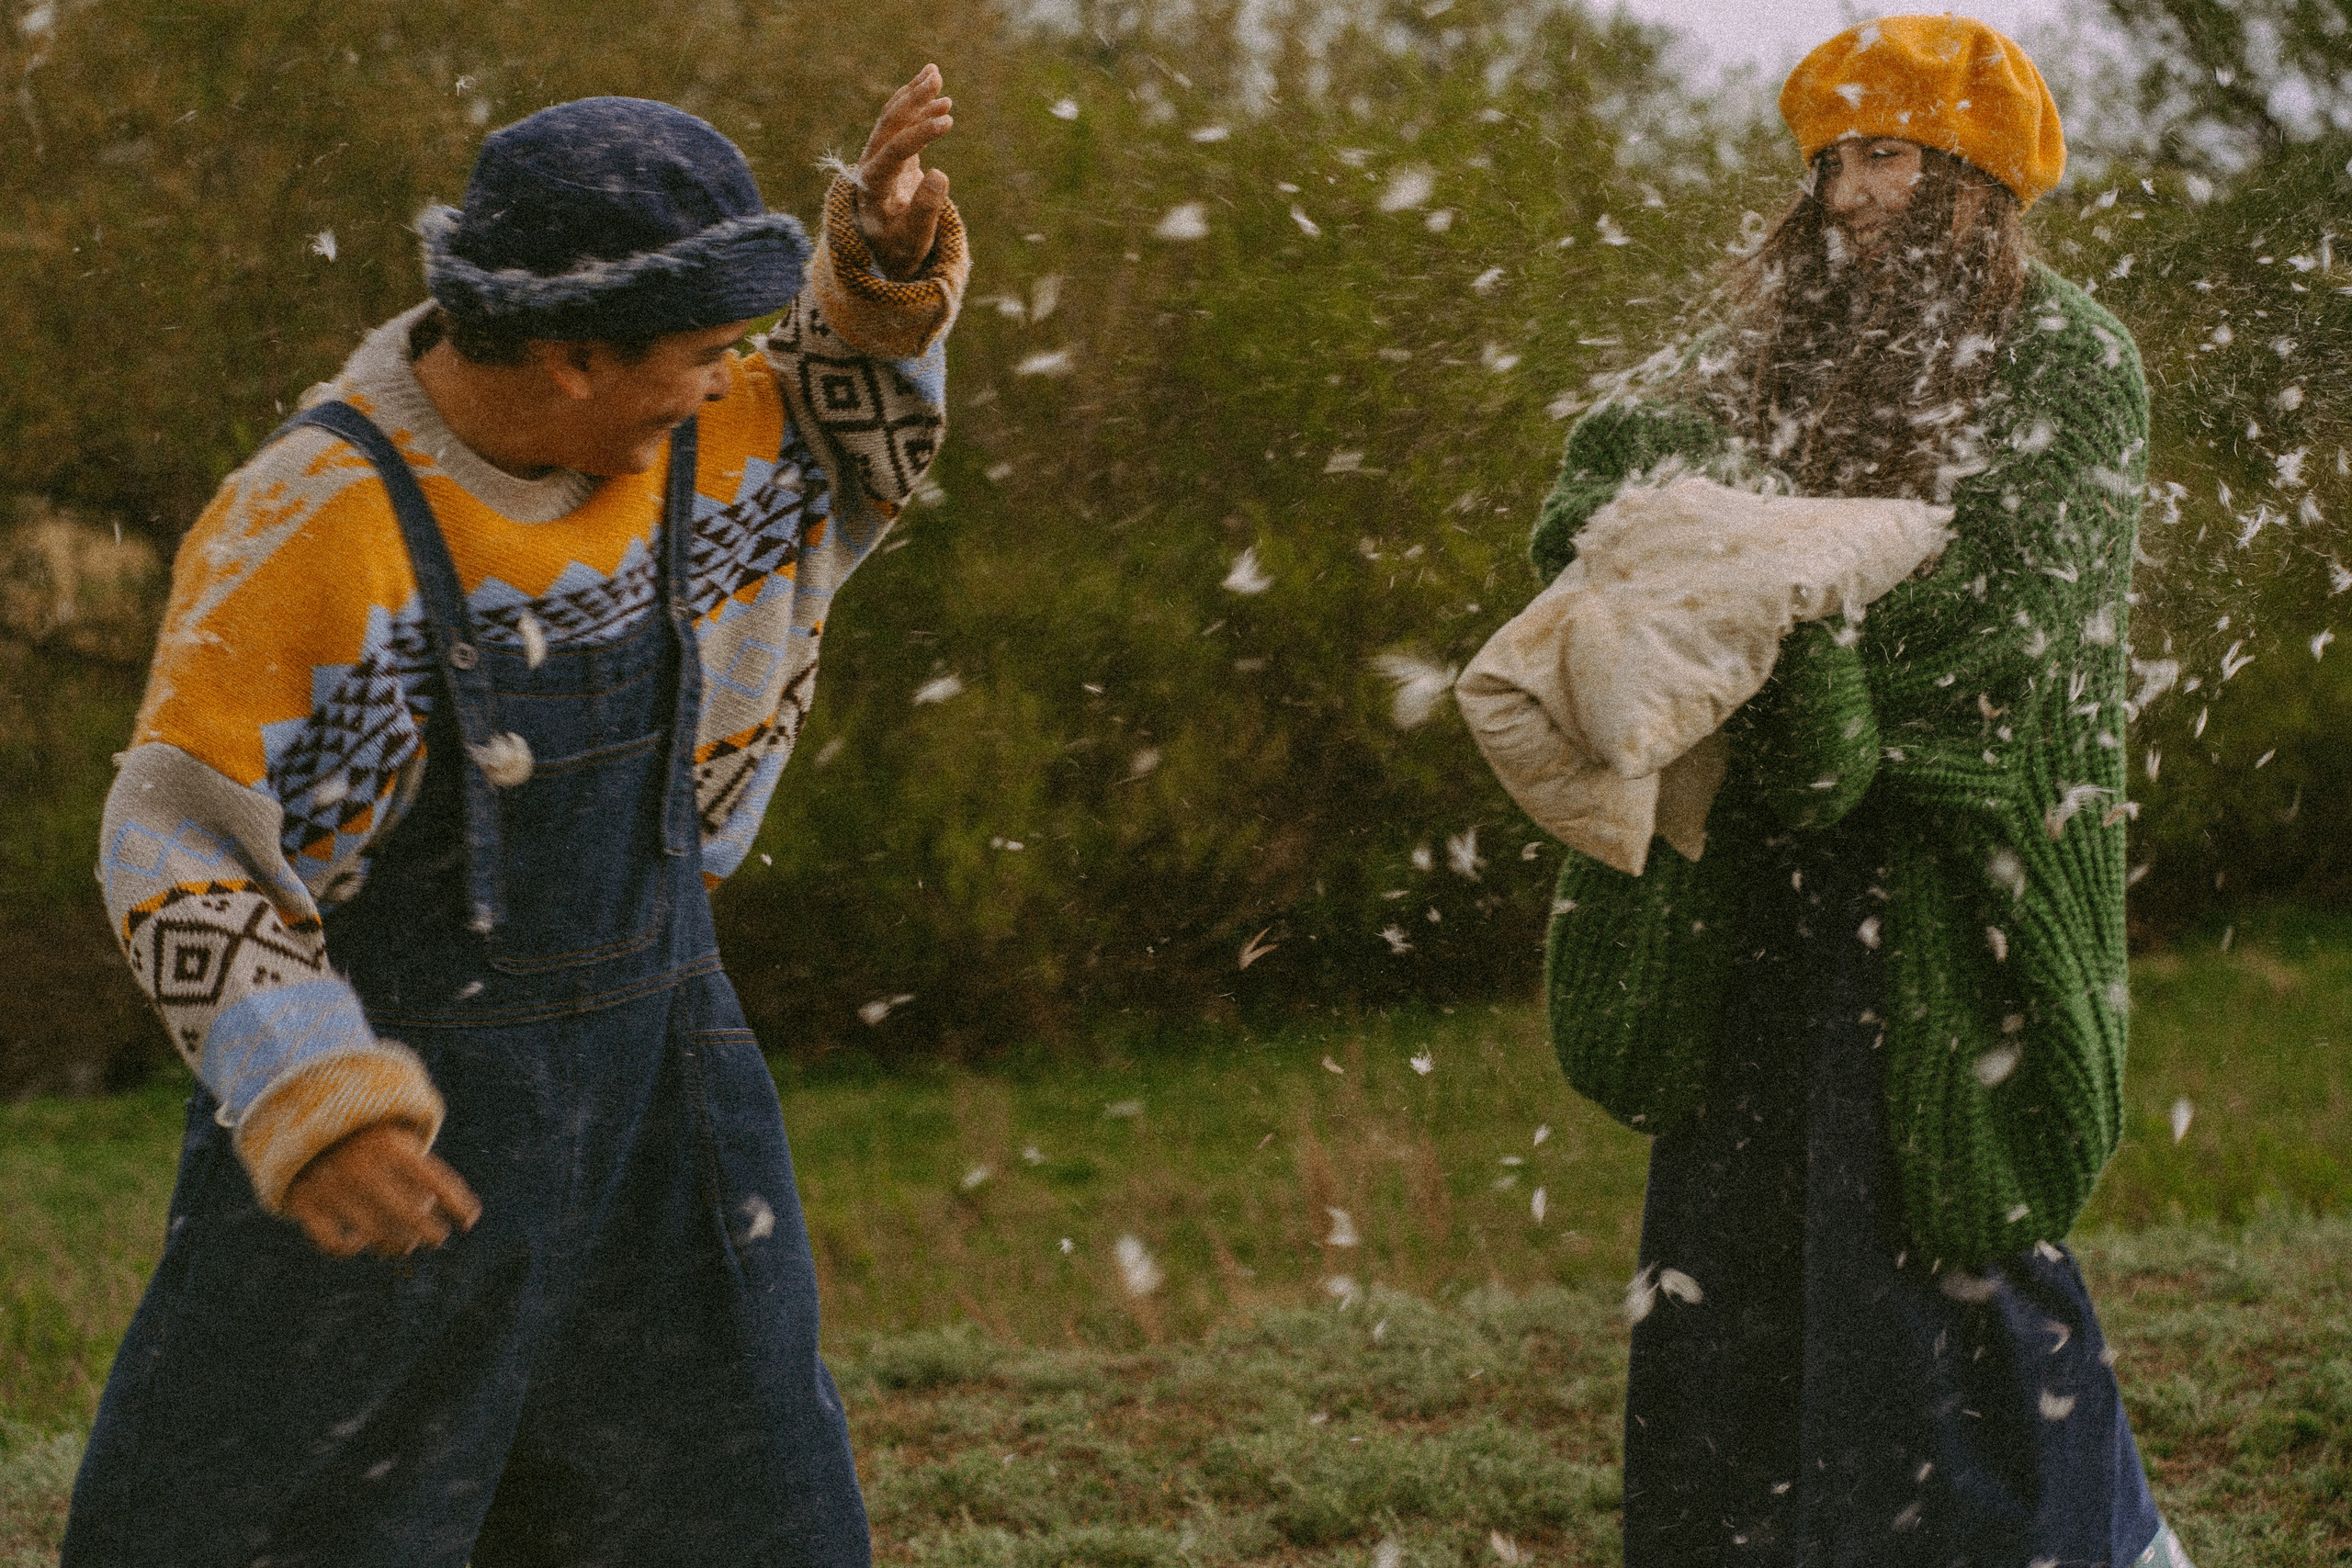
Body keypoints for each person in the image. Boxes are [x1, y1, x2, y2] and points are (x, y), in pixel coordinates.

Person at [67, 68, 967, 1567]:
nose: (726, 382)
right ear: (565, 357)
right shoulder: (310, 521)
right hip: (395, 1144)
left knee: (728, 1523)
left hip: (663, 1116)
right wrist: (311, 1097)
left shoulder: (690, 434)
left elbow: (841, 420)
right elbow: (170, 841)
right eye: (698, 353)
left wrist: (874, 269)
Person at [1531, 18, 2194, 1568]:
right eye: (1831, 157)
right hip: (1756, 898)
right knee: (1735, 1270)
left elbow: (2010, 636)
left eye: (1885, 153)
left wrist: (1795, 664)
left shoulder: (2072, 361)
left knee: (1942, 1272)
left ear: (1971, 172)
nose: (1847, 194)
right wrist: (1627, 534)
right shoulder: (1778, 346)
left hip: (1957, 903)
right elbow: (1634, 481)